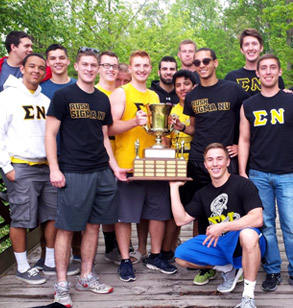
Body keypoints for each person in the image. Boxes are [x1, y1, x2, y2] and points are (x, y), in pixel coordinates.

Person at [46, 47, 127, 307]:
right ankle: (61, 284)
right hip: (73, 170)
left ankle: (86, 275)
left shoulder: (103, 100)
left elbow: (104, 138)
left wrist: (114, 168)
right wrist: (54, 168)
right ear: (77, 67)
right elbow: (49, 135)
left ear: (99, 68)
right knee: (68, 228)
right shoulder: (63, 96)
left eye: (95, 65)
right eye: (86, 64)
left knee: (93, 225)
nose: (91, 69)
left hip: (101, 171)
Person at [174, 47, 249, 285]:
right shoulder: (193, 96)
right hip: (198, 160)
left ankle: (236, 259)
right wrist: (182, 128)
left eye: (206, 60)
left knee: (234, 209)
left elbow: (250, 118)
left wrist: (239, 144)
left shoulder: (233, 89)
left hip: (226, 160)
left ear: (215, 63)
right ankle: (207, 264)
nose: (201, 64)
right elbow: (195, 127)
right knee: (201, 213)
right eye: (197, 62)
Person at [170, 143, 266, 308]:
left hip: (246, 243)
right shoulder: (202, 193)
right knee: (181, 255)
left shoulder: (242, 184)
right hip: (221, 245)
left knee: (248, 234)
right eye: (210, 160)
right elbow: (181, 219)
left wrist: (223, 227)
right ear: (205, 164)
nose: (215, 164)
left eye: (219, 159)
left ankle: (248, 298)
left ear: (228, 162)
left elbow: (257, 218)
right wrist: (173, 188)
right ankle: (227, 268)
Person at [109, 50, 177, 282]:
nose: (141, 69)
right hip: (128, 163)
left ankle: (155, 256)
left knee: (157, 212)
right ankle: (126, 259)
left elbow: (160, 132)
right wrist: (132, 122)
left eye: (145, 65)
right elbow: (109, 129)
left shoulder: (154, 97)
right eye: (137, 65)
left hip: (154, 164)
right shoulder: (121, 93)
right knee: (125, 216)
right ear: (130, 67)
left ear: (150, 68)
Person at [0, 53, 57, 285]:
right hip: (20, 166)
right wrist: (6, 167)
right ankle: (22, 267)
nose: (36, 70)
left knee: (52, 216)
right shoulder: (8, 97)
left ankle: (49, 261)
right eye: (31, 66)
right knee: (21, 219)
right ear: (21, 68)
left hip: (46, 166)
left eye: (41, 68)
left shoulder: (45, 101)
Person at [238, 54, 293, 292]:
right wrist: (242, 170)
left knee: (291, 225)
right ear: (257, 74)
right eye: (264, 68)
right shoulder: (249, 105)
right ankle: (272, 270)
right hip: (259, 173)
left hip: (288, 173)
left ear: (279, 72)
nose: (268, 72)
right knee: (266, 225)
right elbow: (244, 139)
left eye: (273, 68)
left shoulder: (291, 100)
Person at [34, 44, 79, 270]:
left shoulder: (77, 86)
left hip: (73, 156)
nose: (58, 61)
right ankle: (46, 254)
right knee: (49, 210)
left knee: (76, 205)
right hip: (47, 157)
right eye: (53, 58)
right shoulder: (41, 90)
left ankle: (77, 253)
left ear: (69, 61)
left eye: (62, 57)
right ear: (48, 63)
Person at [161, 69, 196, 262]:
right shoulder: (171, 111)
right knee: (175, 211)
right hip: (177, 166)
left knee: (201, 211)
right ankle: (167, 251)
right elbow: (165, 141)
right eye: (179, 85)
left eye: (187, 84)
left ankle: (198, 250)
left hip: (199, 165)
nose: (183, 88)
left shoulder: (199, 108)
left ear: (194, 86)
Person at [96, 51, 121, 265]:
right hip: (98, 157)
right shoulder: (93, 92)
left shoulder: (121, 92)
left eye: (114, 65)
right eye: (106, 65)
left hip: (121, 154)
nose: (111, 69)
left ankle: (116, 245)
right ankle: (108, 245)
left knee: (117, 203)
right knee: (101, 205)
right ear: (98, 68)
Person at [225, 28, 285, 96]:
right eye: (246, 44)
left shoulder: (272, 76)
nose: (251, 48)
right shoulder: (231, 78)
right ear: (241, 50)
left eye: (254, 44)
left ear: (261, 47)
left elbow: (281, 100)